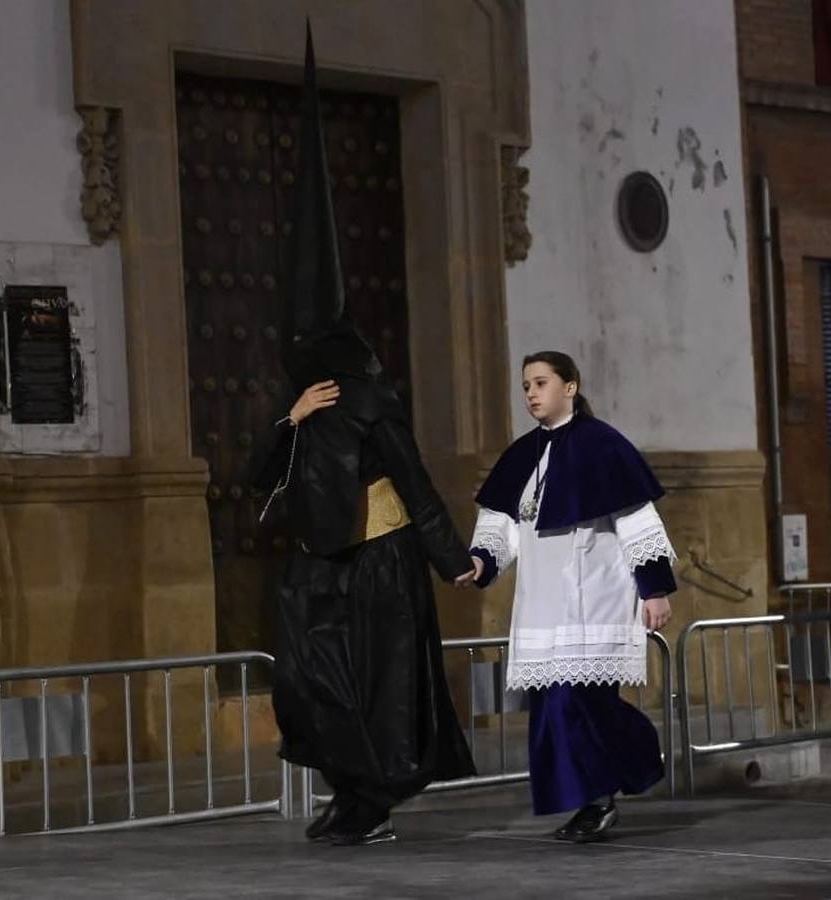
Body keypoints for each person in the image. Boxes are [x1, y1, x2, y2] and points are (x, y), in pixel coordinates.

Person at [250, 26, 476, 847]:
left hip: (378, 567)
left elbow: (413, 481)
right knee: (311, 688)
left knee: (378, 692)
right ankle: (347, 791)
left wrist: (454, 559)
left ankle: (371, 801)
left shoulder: (373, 399)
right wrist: (291, 419)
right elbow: (256, 474)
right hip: (317, 572)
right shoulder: (301, 403)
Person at [463, 351, 677, 842]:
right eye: (525, 386)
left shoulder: (603, 446)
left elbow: (636, 523)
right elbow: (502, 527)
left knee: (577, 704)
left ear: (571, 387)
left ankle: (605, 793)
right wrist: (481, 561)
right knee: (556, 709)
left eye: (540, 383)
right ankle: (607, 786)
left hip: (593, 599)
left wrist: (655, 589)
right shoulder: (521, 455)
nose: (531, 394)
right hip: (541, 604)